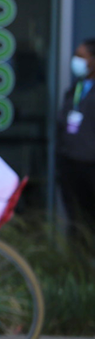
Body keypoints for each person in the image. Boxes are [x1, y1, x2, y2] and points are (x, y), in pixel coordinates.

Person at [58, 38, 95, 243]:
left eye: (82, 56)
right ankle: (76, 267)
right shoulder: (75, 89)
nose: (76, 61)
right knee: (76, 223)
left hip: (91, 166)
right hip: (71, 163)